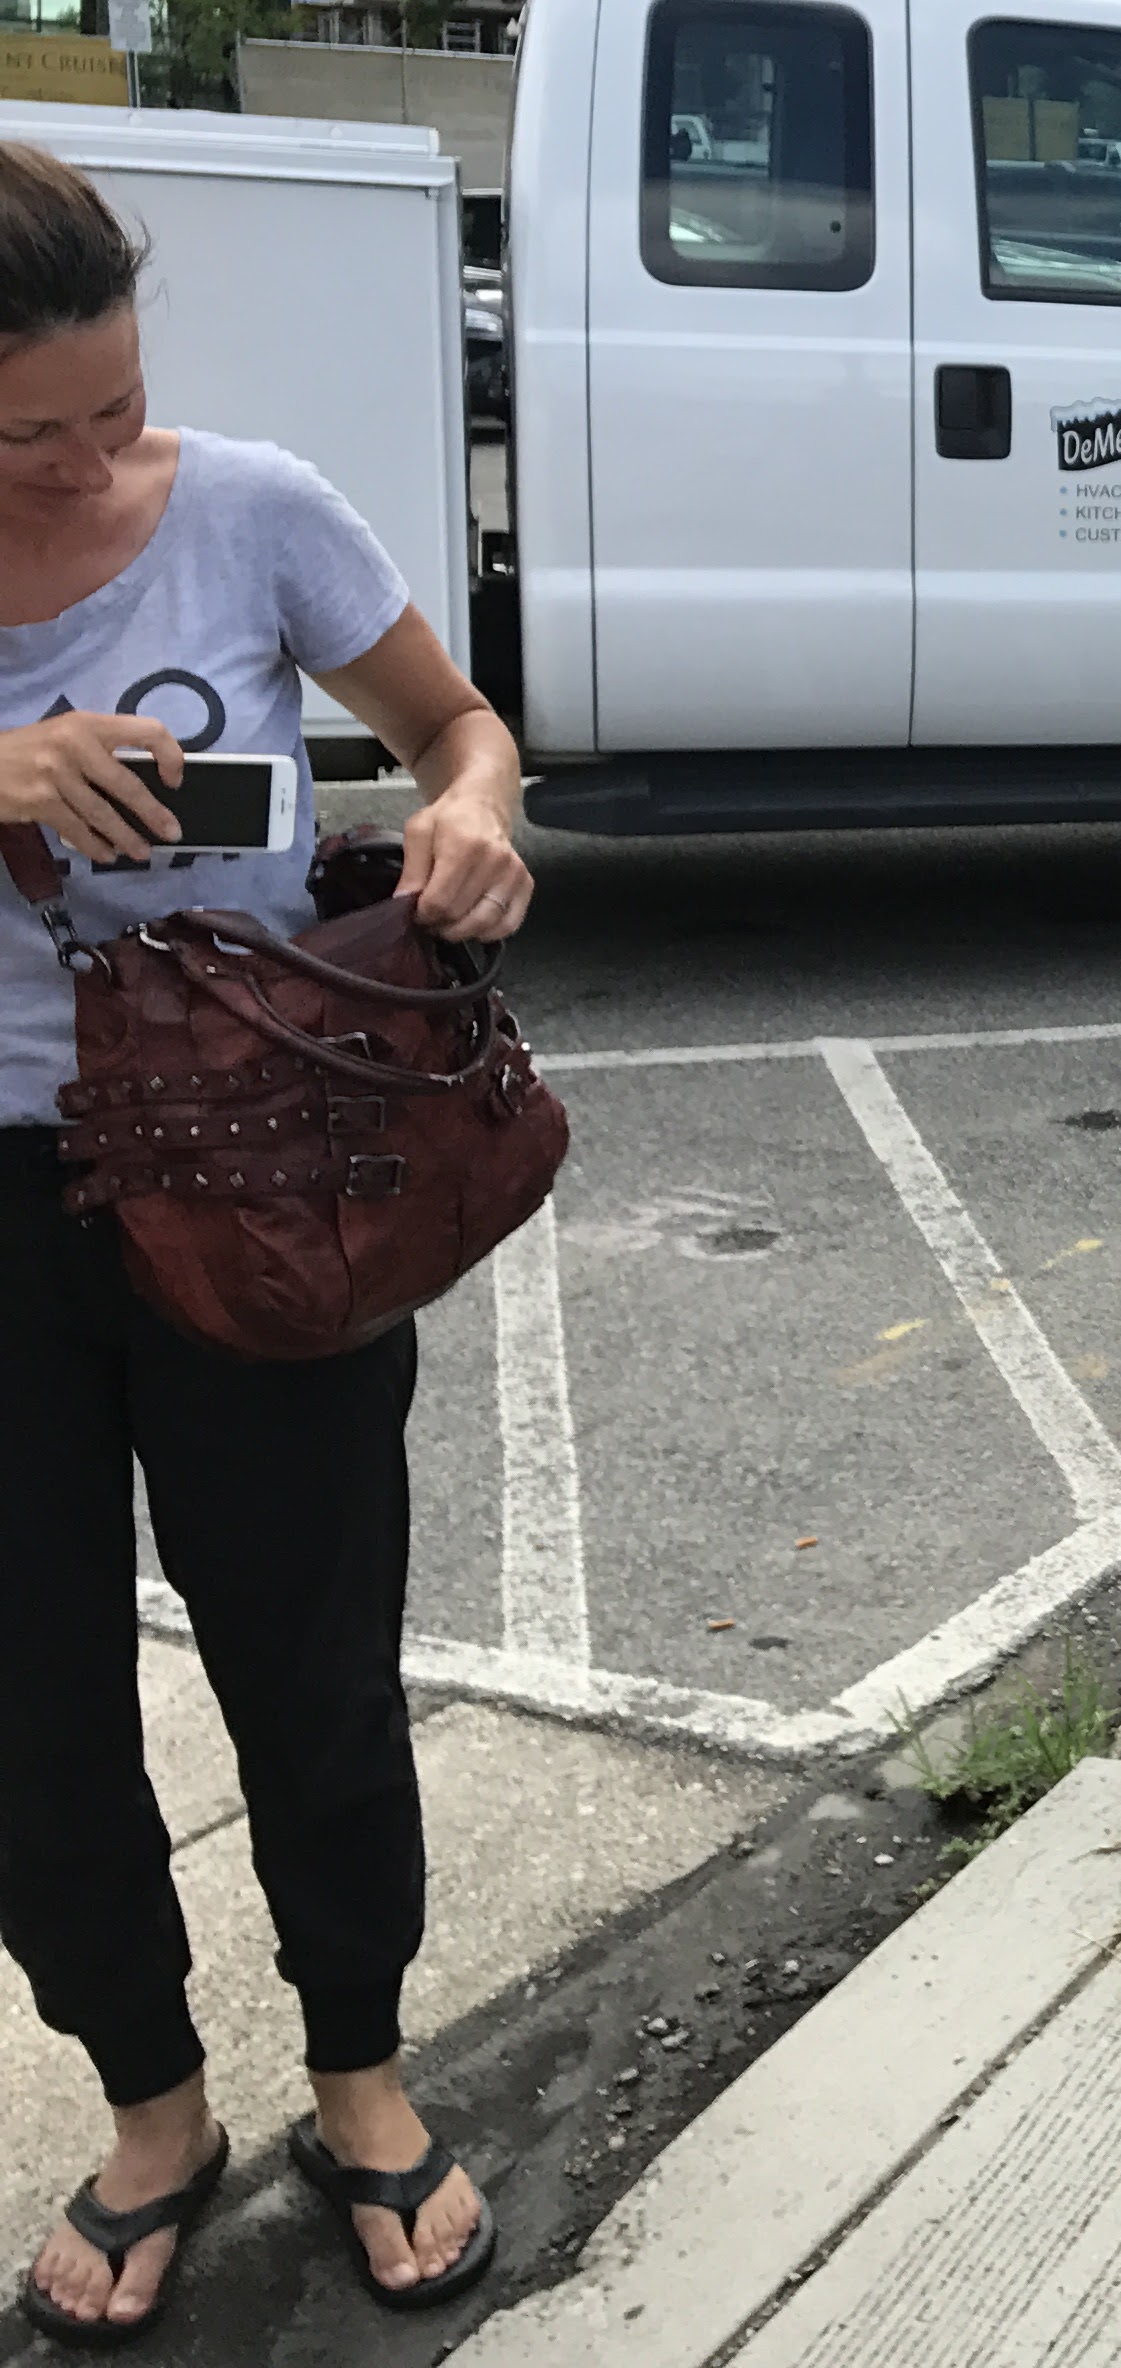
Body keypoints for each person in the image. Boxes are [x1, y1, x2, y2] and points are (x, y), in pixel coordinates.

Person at [0, 139, 532, 2347]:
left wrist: (476, 815)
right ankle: (151, 2107)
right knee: (25, 1698)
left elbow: (456, 727)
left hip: (262, 1170)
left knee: (312, 1655)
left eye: (114, 405)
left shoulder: (255, 511)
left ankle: (360, 2074)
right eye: (29, 433)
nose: (87, 460)